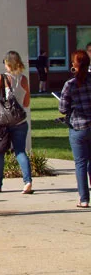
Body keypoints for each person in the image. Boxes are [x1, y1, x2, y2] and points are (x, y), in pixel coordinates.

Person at [0, 51, 33, 194]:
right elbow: (27, 102)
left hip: (2, 122)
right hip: (20, 121)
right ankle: (27, 182)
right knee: (20, 151)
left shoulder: (2, 78)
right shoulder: (23, 79)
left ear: (7, 63)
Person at [60, 50, 91, 207]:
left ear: (75, 65)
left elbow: (63, 108)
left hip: (78, 127)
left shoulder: (69, 84)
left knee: (80, 163)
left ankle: (84, 198)